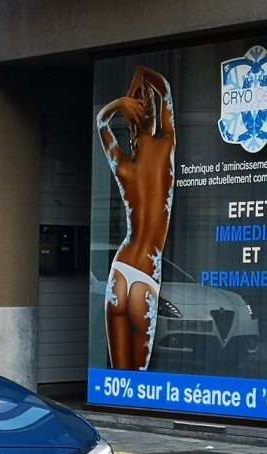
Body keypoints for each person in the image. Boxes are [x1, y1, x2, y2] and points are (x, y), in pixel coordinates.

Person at [97, 66, 176, 372]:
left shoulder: (123, 167)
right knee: (137, 382)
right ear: (153, 114)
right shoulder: (167, 143)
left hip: (120, 271)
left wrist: (120, 103)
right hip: (146, 271)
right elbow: (165, 87)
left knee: (119, 379)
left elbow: (101, 122)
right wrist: (141, 74)